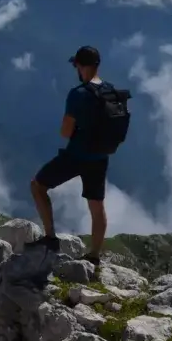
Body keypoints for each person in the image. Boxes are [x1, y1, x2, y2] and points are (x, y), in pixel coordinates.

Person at [29, 45, 112, 267]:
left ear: (80, 66)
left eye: (76, 65)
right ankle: (94, 256)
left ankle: (50, 238)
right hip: (101, 157)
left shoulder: (78, 94)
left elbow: (65, 132)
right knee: (97, 206)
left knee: (38, 186)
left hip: (76, 156)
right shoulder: (111, 92)